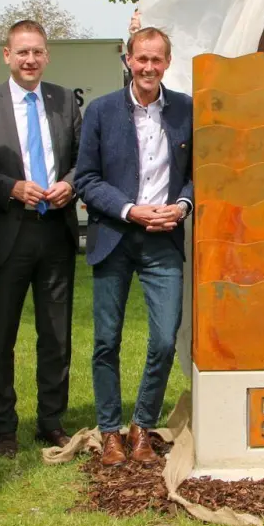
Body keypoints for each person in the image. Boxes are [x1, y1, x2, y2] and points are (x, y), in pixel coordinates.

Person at [75, 26, 193, 467]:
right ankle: (111, 433)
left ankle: (142, 426)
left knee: (164, 338)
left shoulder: (185, 110)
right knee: (107, 340)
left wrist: (181, 206)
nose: (148, 67)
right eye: (141, 58)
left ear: (167, 62)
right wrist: (129, 210)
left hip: (164, 240)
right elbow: (86, 178)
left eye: (156, 60)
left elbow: (201, 172)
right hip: (114, 237)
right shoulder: (103, 111)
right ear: (128, 59)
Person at [0, 20, 82, 457]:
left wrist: (71, 185)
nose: (30, 59)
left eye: (37, 52)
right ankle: (4, 426)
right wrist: (11, 187)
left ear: (47, 54)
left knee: (55, 335)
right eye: (22, 52)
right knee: (1, 335)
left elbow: (82, 160)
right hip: (7, 233)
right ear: (6, 55)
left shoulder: (64, 102)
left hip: (55, 232)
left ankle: (51, 420)